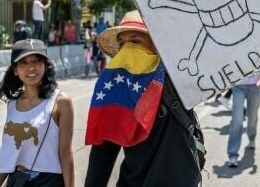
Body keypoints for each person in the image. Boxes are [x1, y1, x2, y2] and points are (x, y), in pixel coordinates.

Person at [84, 10, 202, 186]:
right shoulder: (116, 89)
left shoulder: (178, 76)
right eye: (123, 44)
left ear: (155, 45)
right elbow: (104, 150)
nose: (129, 49)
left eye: (136, 41)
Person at [0, 39, 75, 187]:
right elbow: (8, 154)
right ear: (15, 70)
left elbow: (66, 153)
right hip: (16, 180)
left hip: (48, 181)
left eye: (37, 61)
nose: (31, 67)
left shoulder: (61, 101)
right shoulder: (12, 104)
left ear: (45, 66)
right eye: (24, 62)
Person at [227, 70, 260, 167]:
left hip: (255, 86)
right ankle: (233, 154)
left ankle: (252, 138)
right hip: (238, 86)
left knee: (252, 117)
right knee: (237, 119)